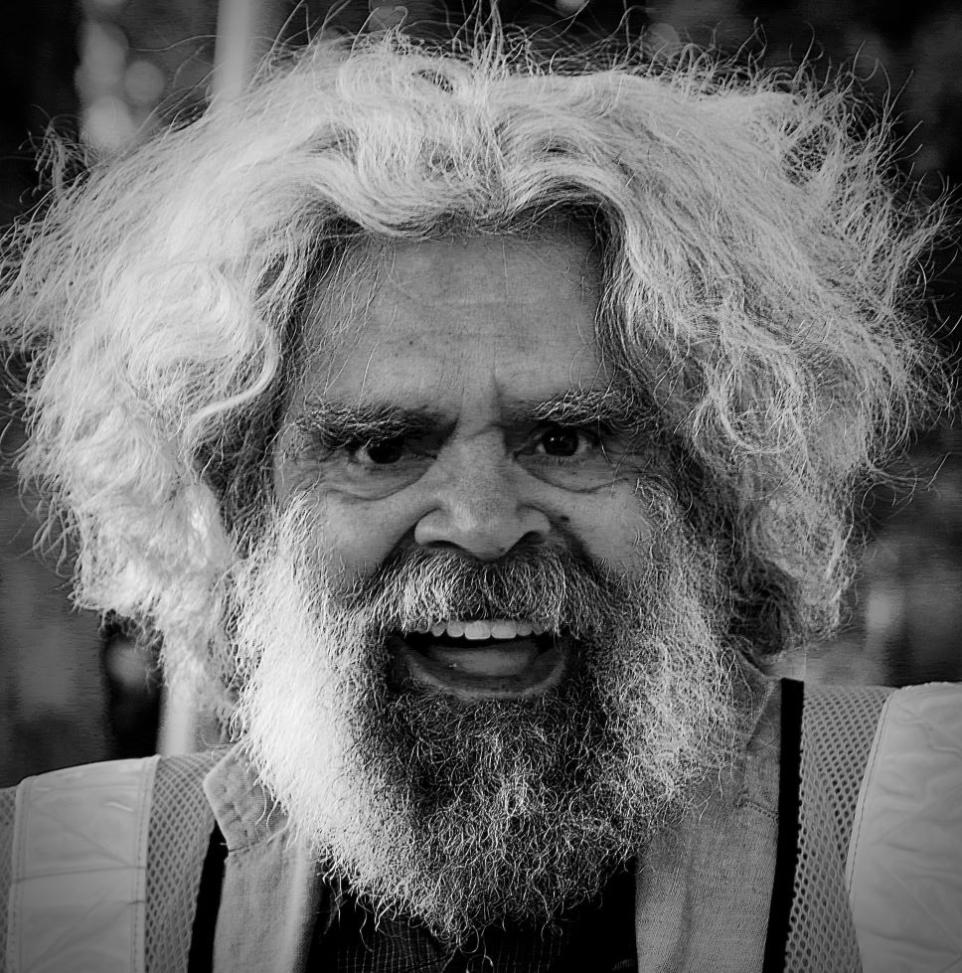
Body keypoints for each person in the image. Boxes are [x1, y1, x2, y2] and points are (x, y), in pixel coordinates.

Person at [1, 23, 960, 973]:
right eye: (382, 448)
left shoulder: (928, 833)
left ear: (709, 487)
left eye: (567, 439)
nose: (485, 523)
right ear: (240, 508)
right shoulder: (60, 894)